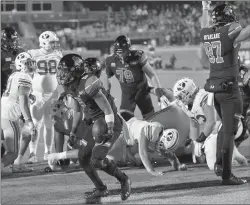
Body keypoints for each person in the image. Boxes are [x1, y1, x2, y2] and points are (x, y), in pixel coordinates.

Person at [55, 54, 131, 201]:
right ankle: (101, 189)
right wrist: (73, 132)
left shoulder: (89, 82)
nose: (62, 74)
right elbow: (78, 110)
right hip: (92, 122)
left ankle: (124, 180)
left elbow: (108, 109)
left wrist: (109, 129)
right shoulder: (69, 84)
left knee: (97, 160)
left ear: (76, 71)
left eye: (66, 70)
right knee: (83, 157)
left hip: (108, 122)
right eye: (61, 70)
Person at [200, 1, 250, 185]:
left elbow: (204, 25)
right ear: (228, 18)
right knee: (229, 132)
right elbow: (246, 33)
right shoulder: (232, 31)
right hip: (230, 89)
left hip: (216, 90)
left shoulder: (207, 32)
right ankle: (227, 176)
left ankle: (220, 165)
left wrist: (204, 7)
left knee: (225, 128)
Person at [103, 35, 168, 120]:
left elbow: (152, 75)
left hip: (142, 92)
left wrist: (160, 94)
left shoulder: (138, 56)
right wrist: (106, 93)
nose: (120, 55)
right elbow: (106, 77)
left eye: (123, 52)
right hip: (127, 95)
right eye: (118, 52)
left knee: (151, 120)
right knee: (125, 122)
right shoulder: (110, 60)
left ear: (128, 49)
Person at [108, 111, 188, 176]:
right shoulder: (153, 130)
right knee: (109, 156)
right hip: (125, 131)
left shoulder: (160, 138)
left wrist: (178, 166)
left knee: (133, 159)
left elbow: (171, 157)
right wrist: (152, 171)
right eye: (162, 145)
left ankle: (126, 155)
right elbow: (142, 152)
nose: (162, 148)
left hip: (131, 137)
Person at [27, 31, 63, 163]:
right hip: (37, 94)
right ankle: (32, 153)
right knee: (36, 124)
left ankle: (48, 152)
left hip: (53, 94)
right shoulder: (32, 54)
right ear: (44, 42)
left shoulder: (58, 54)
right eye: (52, 42)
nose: (55, 44)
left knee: (49, 124)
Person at [1, 52, 37, 173]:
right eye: (27, 64)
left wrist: (29, 95)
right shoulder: (25, 77)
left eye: (31, 62)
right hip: (9, 116)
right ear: (20, 65)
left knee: (7, 147)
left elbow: (15, 93)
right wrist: (29, 121)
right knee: (12, 153)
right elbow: (23, 102)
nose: (31, 66)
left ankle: (14, 166)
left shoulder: (15, 74)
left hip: (4, 111)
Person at [1, 27, 25, 95]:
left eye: (14, 40)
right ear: (3, 41)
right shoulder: (1, 53)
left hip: (19, 85)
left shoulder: (21, 51)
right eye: (9, 40)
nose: (13, 42)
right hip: (4, 86)